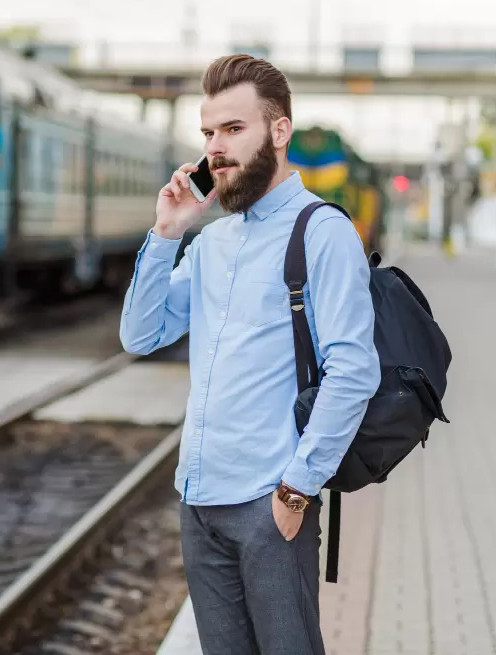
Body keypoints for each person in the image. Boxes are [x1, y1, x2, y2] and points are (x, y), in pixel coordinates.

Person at [119, 54, 381, 654]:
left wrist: (296, 491)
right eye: (209, 133)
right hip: (200, 501)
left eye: (234, 129)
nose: (217, 147)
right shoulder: (211, 240)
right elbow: (140, 335)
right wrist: (165, 234)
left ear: (279, 131)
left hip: (270, 506)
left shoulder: (322, 231)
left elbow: (353, 370)